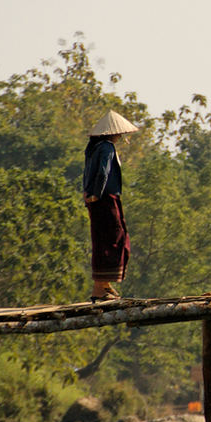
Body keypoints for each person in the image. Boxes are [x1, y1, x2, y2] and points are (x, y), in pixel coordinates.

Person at [82, 110, 137, 302]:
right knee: (114, 239)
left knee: (103, 239)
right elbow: (103, 174)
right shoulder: (106, 148)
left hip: (97, 200)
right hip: (105, 199)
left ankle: (104, 285)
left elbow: (88, 174)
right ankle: (100, 287)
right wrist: (96, 194)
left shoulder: (93, 148)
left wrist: (88, 194)